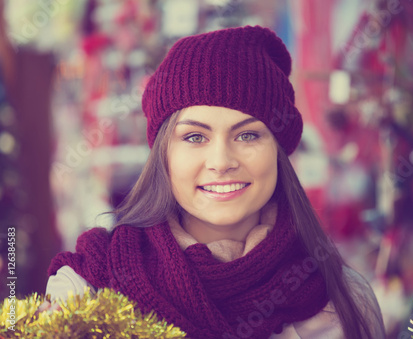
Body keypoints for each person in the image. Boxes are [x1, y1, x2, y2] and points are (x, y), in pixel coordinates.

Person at [43, 25, 385, 339]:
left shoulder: (345, 301)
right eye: (194, 137)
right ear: (164, 154)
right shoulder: (85, 291)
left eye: (248, 135)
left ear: (278, 151)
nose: (221, 162)